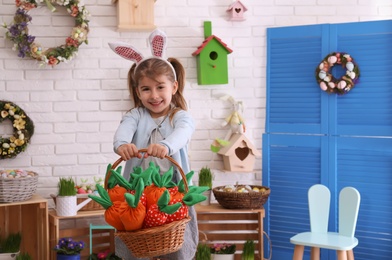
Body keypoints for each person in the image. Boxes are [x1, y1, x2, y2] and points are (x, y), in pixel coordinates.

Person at [109, 29, 198, 260]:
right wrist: (122, 146)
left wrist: (166, 146)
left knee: (174, 245)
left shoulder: (180, 116)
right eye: (146, 89)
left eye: (160, 87)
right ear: (138, 92)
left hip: (174, 191)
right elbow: (122, 133)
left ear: (174, 87)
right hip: (139, 192)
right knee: (136, 243)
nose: (154, 95)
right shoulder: (135, 115)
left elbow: (183, 133)